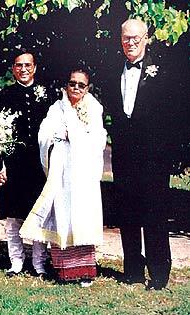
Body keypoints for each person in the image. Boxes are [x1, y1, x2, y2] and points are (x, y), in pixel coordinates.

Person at [20, 69, 107, 286]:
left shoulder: (94, 108)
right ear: (66, 85)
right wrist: (58, 135)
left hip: (83, 174)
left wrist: (74, 135)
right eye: (72, 83)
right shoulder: (57, 108)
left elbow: (98, 139)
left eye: (81, 85)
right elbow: (44, 134)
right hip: (62, 171)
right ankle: (64, 270)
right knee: (63, 214)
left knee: (83, 217)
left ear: (88, 88)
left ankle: (85, 271)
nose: (76, 88)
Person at [106, 18, 175, 290]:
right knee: (128, 215)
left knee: (155, 215)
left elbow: (174, 117)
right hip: (124, 157)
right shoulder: (113, 71)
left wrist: (166, 155)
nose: (130, 43)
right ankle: (133, 271)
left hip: (155, 159)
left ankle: (159, 275)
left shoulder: (164, 72)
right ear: (120, 39)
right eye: (125, 38)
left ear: (146, 38)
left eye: (135, 38)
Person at [0, 51, 60, 277]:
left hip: (40, 165)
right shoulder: (3, 96)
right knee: (13, 217)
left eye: (27, 65)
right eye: (19, 65)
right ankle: (16, 262)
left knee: (39, 212)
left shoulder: (49, 95)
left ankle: (39, 262)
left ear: (35, 68)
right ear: (13, 68)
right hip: (14, 164)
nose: (23, 69)